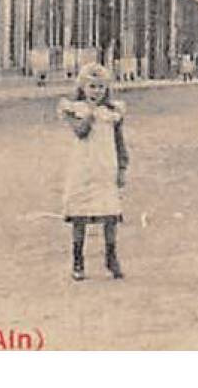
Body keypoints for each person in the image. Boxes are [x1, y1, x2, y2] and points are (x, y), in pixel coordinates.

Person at [58, 63, 128, 281]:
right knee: (80, 213)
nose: (96, 92)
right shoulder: (74, 109)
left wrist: (123, 166)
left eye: (100, 87)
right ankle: (78, 260)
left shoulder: (112, 112)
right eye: (92, 87)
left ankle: (111, 256)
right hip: (83, 167)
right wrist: (88, 115)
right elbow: (80, 132)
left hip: (106, 166)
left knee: (110, 213)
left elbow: (119, 141)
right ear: (82, 88)